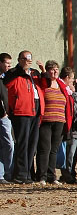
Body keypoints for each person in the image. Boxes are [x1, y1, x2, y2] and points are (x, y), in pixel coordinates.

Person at [3, 50, 43, 183]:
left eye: (29, 59)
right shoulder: (13, 72)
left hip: (35, 110)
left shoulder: (34, 73)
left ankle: (28, 174)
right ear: (19, 60)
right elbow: (7, 83)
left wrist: (43, 71)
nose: (27, 61)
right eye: (25, 58)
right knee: (22, 143)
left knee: (32, 144)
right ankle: (19, 175)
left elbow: (44, 84)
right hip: (21, 111)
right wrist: (22, 70)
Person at [34, 60, 74, 185]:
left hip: (60, 121)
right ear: (47, 71)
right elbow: (43, 81)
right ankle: (42, 176)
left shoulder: (62, 86)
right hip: (46, 121)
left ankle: (52, 176)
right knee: (44, 149)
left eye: (56, 69)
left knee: (54, 150)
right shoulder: (44, 84)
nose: (54, 71)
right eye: (51, 69)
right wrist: (43, 71)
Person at [0, 52, 12, 182]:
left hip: (5, 116)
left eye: (10, 63)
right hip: (2, 115)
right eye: (6, 63)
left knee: (9, 144)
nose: (9, 66)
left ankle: (7, 172)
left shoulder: (7, 78)